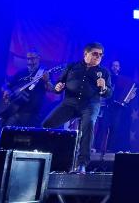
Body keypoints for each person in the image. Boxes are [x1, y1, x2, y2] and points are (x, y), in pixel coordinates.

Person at [42, 42, 112, 174]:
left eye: (101, 55)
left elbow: (108, 93)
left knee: (88, 125)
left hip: (90, 105)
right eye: (95, 53)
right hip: (70, 103)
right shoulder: (72, 67)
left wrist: (103, 87)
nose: (98, 57)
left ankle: (82, 164)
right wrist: (58, 87)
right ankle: (51, 158)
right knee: (47, 124)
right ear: (86, 54)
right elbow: (59, 83)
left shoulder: (104, 72)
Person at [0, 50, 52, 127]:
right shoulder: (21, 72)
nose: (29, 62)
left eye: (32, 59)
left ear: (38, 58)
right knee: (4, 129)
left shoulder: (44, 73)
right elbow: (5, 85)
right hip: (15, 110)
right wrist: (6, 90)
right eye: (28, 59)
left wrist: (47, 80)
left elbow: (51, 89)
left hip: (33, 114)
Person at [94, 60, 137, 152]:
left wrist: (129, 97)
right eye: (113, 65)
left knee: (115, 128)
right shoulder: (106, 77)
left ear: (119, 68)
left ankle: (111, 148)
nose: (115, 67)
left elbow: (130, 92)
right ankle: (97, 147)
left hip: (118, 107)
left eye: (117, 66)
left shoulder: (123, 79)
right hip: (107, 106)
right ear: (111, 67)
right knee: (103, 127)